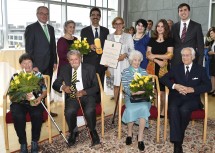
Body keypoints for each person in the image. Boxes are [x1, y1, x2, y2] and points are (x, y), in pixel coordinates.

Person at [160, 47, 211, 153]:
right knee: (173, 108)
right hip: (177, 96)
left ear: (193, 57)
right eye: (183, 55)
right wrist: (175, 86)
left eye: (187, 55)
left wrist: (193, 89)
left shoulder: (200, 69)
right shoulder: (176, 68)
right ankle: (178, 140)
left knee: (184, 109)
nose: (185, 57)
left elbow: (208, 86)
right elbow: (163, 78)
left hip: (192, 98)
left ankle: (177, 143)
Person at [52, 50, 100, 147]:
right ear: (68, 61)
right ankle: (73, 132)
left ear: (80, 58)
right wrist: (64, 87)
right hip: (72, 96)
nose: (74, 62)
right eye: (71, 60)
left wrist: (84, 92)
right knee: (69, 112)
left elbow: (96, 87)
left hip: (87, 95)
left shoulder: (90, 68)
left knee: (89, 111)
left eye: (76, 59)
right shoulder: (64, 69)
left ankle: (92, 131)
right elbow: (55, 84)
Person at [10, 53, 47, 153]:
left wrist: (40, 98)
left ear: (32, 63)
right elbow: (11, 94)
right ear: (20, 65)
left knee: (37, 114)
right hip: (19, 103)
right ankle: (23, 143)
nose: (27, 65)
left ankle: (34, 141)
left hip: (35, 101)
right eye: (24, 63)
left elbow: (44, 91)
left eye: (29, 62)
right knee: (18, 116)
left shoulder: (38, 75)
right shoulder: (16, 76)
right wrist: (22, 96)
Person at [25, 6, 58, 117]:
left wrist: (54, 61)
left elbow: (53, 46)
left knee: (46, 88)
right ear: (37, 14)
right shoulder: (31, 28)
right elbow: (28, 49)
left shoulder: (51, 28)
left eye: (46, 13)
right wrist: (32, 65)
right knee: (37, 89)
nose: (44, 15)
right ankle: (38, 113)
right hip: (37, 65)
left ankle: (47, 110)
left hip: (49, 64)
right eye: (42, 13)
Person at [121, 50, 151, 151]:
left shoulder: (143, 71)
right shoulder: (125, 72)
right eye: (135, 60)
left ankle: (140, 137)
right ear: (130, 60)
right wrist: (132, 92)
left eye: (139, 60)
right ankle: (130, 133)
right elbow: (125, 87)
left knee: (144, 107)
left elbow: (149, 86)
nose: (137, 62)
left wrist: (142, 91)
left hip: (143, 98)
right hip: (131, 97)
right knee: (130, 110)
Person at [146, 19, 173, 117]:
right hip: (152, 67)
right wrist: (157, 60)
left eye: (162, 26)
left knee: (163, 92)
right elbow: (148, 55)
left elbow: (169, 55)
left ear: (165, 28)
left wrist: (155, 55)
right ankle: (156, 110)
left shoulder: (169, 40)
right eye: (158, 26)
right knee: (155, 91)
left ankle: (163, 111)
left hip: (164, 68)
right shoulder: (152, 39)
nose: (160, 28)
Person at [107, 17, 134, 104]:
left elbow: (132, 50)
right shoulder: (109, 36)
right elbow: (107, 51)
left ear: (123, 25)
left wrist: (125, 55)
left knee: (126, 87)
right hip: (113, 66)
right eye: (116, 23)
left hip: (124, 64)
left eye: (120, 23)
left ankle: (127, 109)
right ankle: (116, 109)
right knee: (115, 86)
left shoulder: (128, 36)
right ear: (114, 25)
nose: (118, 25)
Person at [80, 7, 109, 87]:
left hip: (102, 63)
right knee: (89, 85)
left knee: (101, 85)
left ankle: (100, 99)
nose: (95, 17)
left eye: (97, 15)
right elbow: (82, 48)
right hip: (89, 62)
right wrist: (89, 47)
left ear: (100, 17)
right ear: (90, 17)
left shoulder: (106, 31)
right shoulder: (84, 31)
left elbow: (108, 47)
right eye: (93, 15)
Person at [206, 27, 215, 96]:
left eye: (212, 33)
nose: (211, 35)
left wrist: (213, 52)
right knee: (212, 75)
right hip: (212, 60)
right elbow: (206, 44)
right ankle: (212, 89)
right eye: (210, 34)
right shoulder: (212, 41)